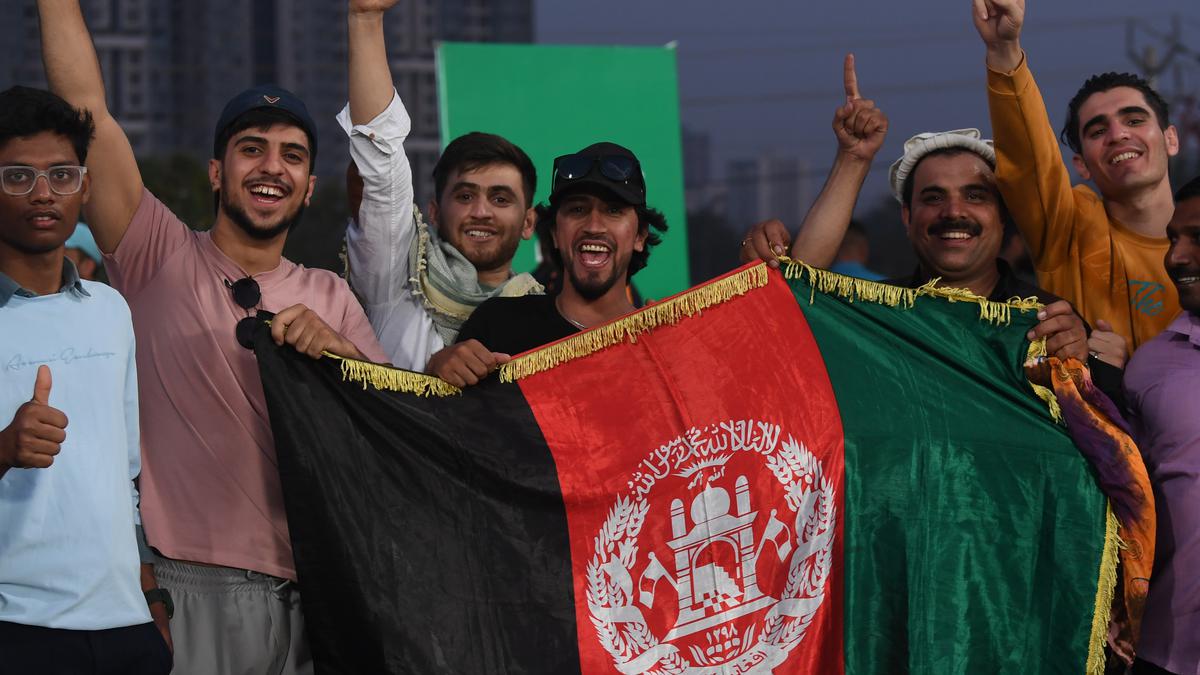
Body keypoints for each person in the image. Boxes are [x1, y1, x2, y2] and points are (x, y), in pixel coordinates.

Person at [37, 1, 389, 673]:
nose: (270, 167)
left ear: (309, 187)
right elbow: (85, 112)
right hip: (192, 586)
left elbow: (387, 428)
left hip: (318, 591)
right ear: (215, 172)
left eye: (291, 155)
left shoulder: (330, 295)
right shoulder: (155, 253)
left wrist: (337, 351)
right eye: (250, 149)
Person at [740, 55, 1122, 374]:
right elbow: (792, 305)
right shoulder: (878, 316)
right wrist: (854, 159)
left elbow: (1104, 439)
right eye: (934, 198)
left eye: (975, 196)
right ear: (907, 217)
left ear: (1003, 217)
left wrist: (1085, 361)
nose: (954, 212)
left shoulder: (1048, 323)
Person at [0, 85, 170, 675]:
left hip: (127, 629)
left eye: (62, 175)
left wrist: (150, 600)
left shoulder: (110, 308)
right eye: (17, 176)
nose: (43, 193)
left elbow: (125, 474)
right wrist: (3, 449)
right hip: (20, 627)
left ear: (85, 187)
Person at [341, 0, 541, 371]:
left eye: (500, 198)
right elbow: (379, 166)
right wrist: (366, 20)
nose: (481, 212)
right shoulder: (396, 282)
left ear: (529, 222)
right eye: (465, 196)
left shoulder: (547, 318)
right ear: (433, 211)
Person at [972, 0, 1180, 350]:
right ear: (1081, 165)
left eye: (1134, 120)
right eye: (1098, 131)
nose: (1118, 135)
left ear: (1170, 139)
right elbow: (1028, 161)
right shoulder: (1069, 230)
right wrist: (1004, 49)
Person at [427, 141, 668, 386]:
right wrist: (437, 372)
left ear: (640, 236)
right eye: (577, 209)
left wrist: (676, 349)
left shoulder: (662, 343)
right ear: (554, 233)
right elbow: (446, 421)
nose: (594, 226)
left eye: (614, 211)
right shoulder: (498, 323)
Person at [1123, 176, 1200, 675]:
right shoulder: (1148, 369)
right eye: (1175, 238)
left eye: (1197, 238)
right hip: (1169, 656)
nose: (1176, 257)